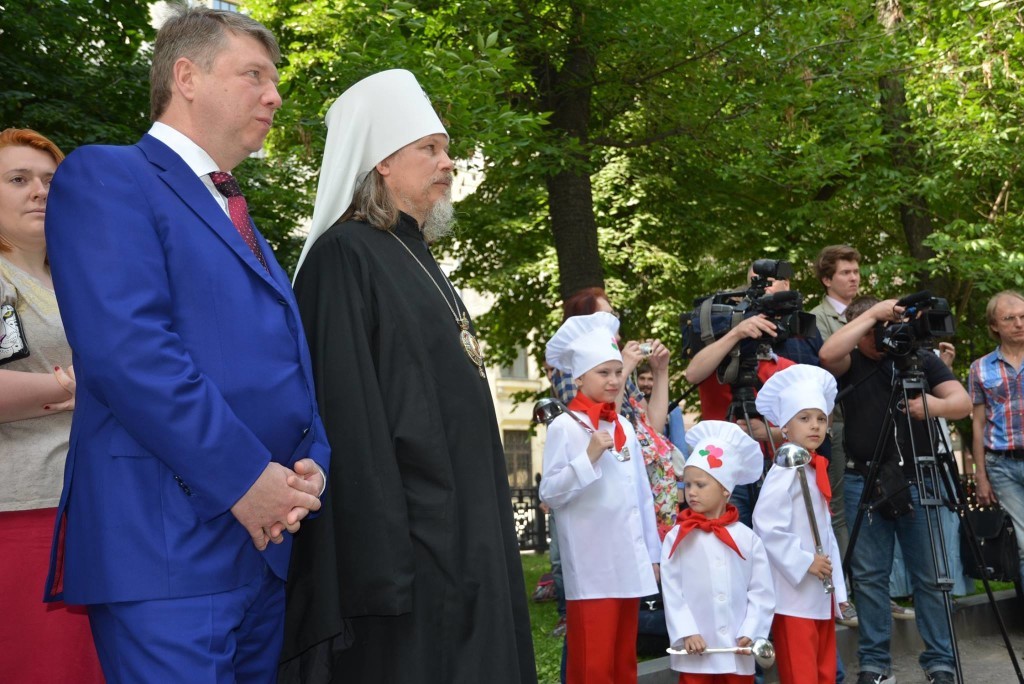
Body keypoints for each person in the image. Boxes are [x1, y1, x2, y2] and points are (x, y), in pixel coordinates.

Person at [43, 8, 330, 682]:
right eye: (254, 75)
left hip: (262, 543)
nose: (274, 96)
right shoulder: (108, 176)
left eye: (275, 80)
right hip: (166, 548)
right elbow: (130, 354)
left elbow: (284, 358)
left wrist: (311, 463)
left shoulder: (232, 206)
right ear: (187, 77)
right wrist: (247, 479)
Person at [281, 69, 536, 684]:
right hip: (408, 552)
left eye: (447, 149)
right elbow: (348, 415)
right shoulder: (343, 256)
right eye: (431, 148)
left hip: (465, 531)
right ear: (383, 162)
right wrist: (383, 565)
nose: (449, 162)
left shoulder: (415, 253)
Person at [819, 296, 971, 684]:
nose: (880, 338)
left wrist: (933, 407)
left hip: (920, 478)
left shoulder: (918, 357)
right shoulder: (851, 361)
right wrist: (873, 313)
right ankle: (875, 665)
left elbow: (961, 402)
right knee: (870, 578)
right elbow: (828, 353)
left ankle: (940, 662)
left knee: (931, 576)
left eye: (884, 329)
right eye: (871, 331)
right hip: (864, 479)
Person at [0, 128, 102, 682]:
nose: (40, 190)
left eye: (49, 180)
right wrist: (73, 388)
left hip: (89, 499)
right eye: (18, 179)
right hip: (22, 508)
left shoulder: (73, 275)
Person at [541, 311, 661, 684]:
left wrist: (652, 555)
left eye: (617, 371)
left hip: (628, 562)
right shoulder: (564, 427)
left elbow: (642, 496)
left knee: (624, 660)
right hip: (591, 566)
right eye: (603, 372)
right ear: (579, 377)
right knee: (593, 664)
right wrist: (588, 457)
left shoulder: (623, 426)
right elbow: (550, 493)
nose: (613, 380)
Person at [752, 364, 848, 684]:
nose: (815, 426)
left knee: (824, 671)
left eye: (820, 418)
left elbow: (826, 533)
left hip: (819, 592)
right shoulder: (785, 469)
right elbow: (766, 524)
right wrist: (805, 561)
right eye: (804, 418)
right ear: (785, 428)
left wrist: (840, 590)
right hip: (793, 595)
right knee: (801, 673)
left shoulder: (813, 467)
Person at [662, 420, 775, 684]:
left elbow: (761, 591)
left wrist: (751, 630)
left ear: (725, 489)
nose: (691, 492)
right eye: (688, 485)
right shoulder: (677, 537)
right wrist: (687, 631)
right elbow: (672, 589)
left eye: (700, 485)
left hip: (737, 647)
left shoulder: (747, 539)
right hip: (696, 648)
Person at [810, 245, 862, 569]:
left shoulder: (864, 311)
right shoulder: (817, 318)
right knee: (838, 508)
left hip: (870, 418)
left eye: (856, 271)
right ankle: (843, 587)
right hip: (839, 419)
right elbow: (827, 367)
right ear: (827, 280)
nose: (854, 278)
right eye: (845, 272)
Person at [970, 290, 1024, 583]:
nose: (1019, 323)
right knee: (1023, 545)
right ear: (994, 325)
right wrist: (981, 476)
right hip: (1002, 465)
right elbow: (978, 423)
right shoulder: (979, 368)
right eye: (1009, 318)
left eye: (1023, 317)